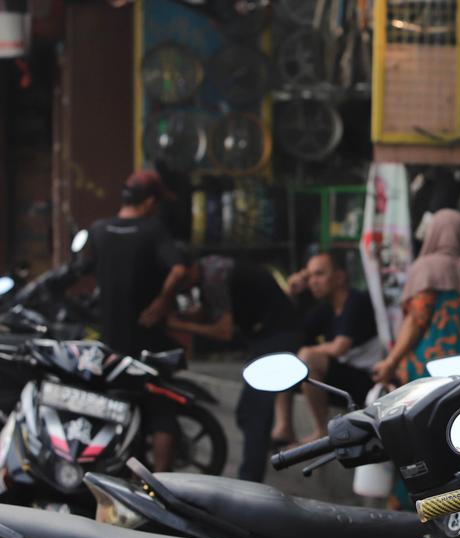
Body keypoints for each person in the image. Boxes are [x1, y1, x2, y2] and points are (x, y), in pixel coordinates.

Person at [77, 170, 189, 471]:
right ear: (150, 201)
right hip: (147, 338)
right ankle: (162, 484)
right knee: (161, 409)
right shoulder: (153, 230)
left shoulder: (99, 229)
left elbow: (83, 267)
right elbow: (179, 268)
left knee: (115, 407)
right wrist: (160, 302)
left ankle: (115, 474)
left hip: (111, 341)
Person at [167, 255, 301, 482]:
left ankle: (250, 479)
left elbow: (224, 331)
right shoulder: (210, 271)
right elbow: (212, 313)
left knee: (254, 412)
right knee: (247, 412)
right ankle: (269, 449)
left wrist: (179, 325)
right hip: (266, 336)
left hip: (278, 335)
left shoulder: (214, 277)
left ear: (189, 270)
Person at [372, 209, 460, 384]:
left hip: (429, 374)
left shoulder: (426, 268)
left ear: (433, 233)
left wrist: (391, 362)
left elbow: (416, 321)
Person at [272, 252, 383, 443]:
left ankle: (322, 430)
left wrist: (307, 352)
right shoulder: (325, 308)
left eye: (319, 274)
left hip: (369, 381)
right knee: (286, 353)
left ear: (339, 277)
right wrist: (291, 293)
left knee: (307, 357)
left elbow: (340, 347)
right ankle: (284, 426)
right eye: (309, 277)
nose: (312, 282)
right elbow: (291, 332)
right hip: (343, 378)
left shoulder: (355, 300)